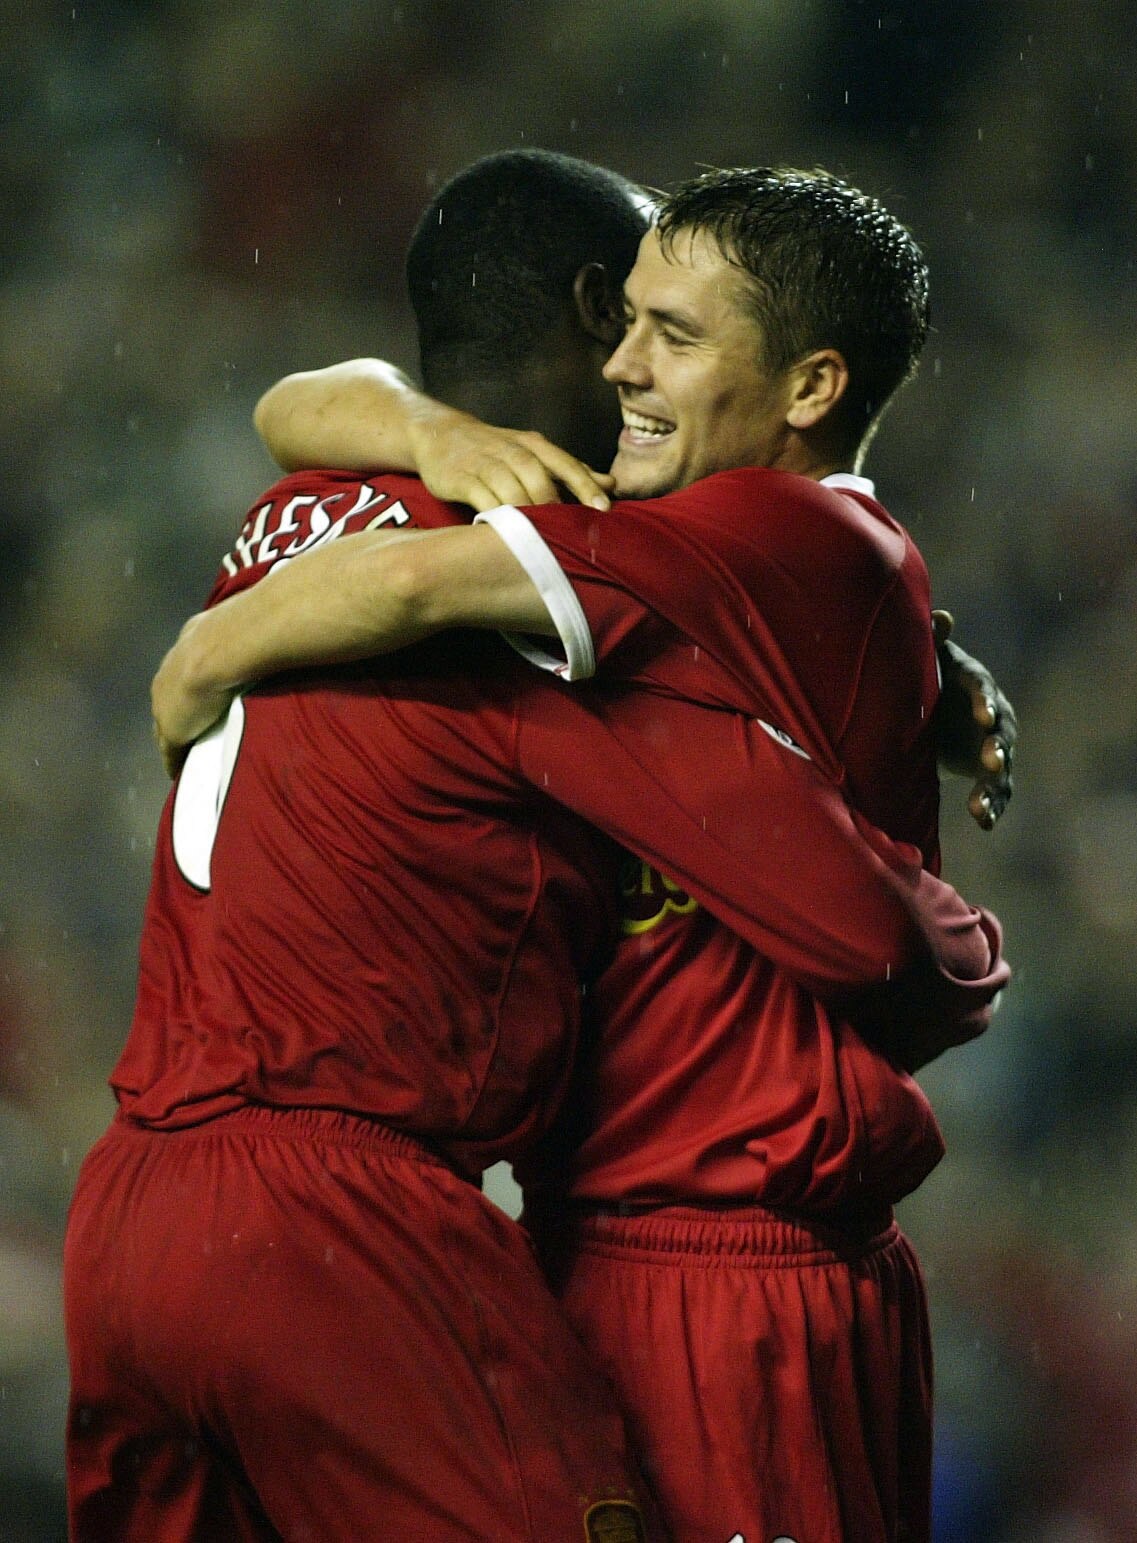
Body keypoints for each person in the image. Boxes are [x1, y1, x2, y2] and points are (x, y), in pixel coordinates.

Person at [65, 151, 1004, 1543]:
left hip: (135, 1201)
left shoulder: (310, 495)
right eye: (627, 321)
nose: (630, 365)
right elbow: (856, 928)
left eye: (669, 332)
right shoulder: (543, 568)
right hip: (358, 1225)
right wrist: (950, 954)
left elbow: (295, 407)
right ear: (584, 308)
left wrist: (245, 595)